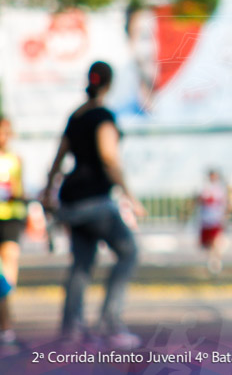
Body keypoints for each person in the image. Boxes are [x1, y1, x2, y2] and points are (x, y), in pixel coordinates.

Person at [42, 61, 146, 348]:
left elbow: (58, 156)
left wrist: (50, 190)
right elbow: (108, 156)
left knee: (82, 264)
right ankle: (110, 324)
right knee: (128, 253)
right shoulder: (102, 115)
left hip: (71, 200)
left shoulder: (76, 115)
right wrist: (130, 196)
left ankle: (70, 329)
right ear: (109, 84)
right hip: (95, 200)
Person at [0, 117, 26, 349]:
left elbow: (19, 189)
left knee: (9, 263)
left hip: (11, 216)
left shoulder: (15, 159)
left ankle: (6, 312)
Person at [196, 169, 228, 275]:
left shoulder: (220, 189)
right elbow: (199, 201)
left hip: (216, 219)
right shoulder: (205, 188)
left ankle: (217, 261)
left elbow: (224, 204)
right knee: (208, 243)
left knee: (217, 241)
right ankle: (211, 261)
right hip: (206, 219)